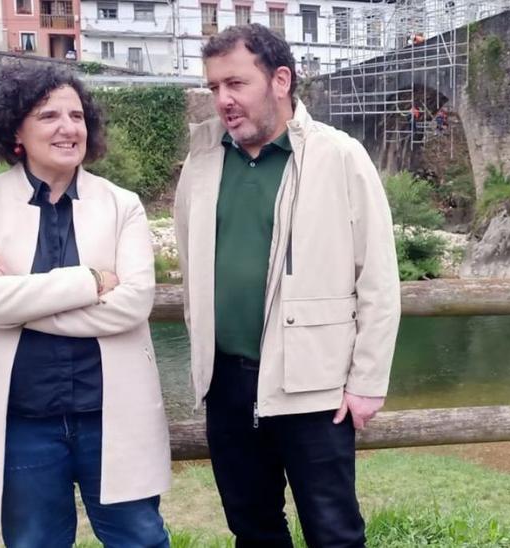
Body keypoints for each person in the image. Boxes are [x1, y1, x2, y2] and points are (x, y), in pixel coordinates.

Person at [0, 64, 171, 547]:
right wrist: (90, 281)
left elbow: (133, 304)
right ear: (15, 128)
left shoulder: (124, 205)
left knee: (140, 540)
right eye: (49, 115)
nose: (68, 127)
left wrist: (16, 297)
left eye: (76, 115)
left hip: (111, 416)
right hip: (22, 422)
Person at [174, 23, 400, 547]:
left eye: (235, 83)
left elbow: (379, 278)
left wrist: (366, 381)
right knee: (253, 531)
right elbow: (190, 265)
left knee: (335, 534)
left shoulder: (339, 156)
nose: (222, 100)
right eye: (213, 87)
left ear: (280, 80)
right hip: (226, 384)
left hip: (314, 388)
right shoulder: (203, 159)